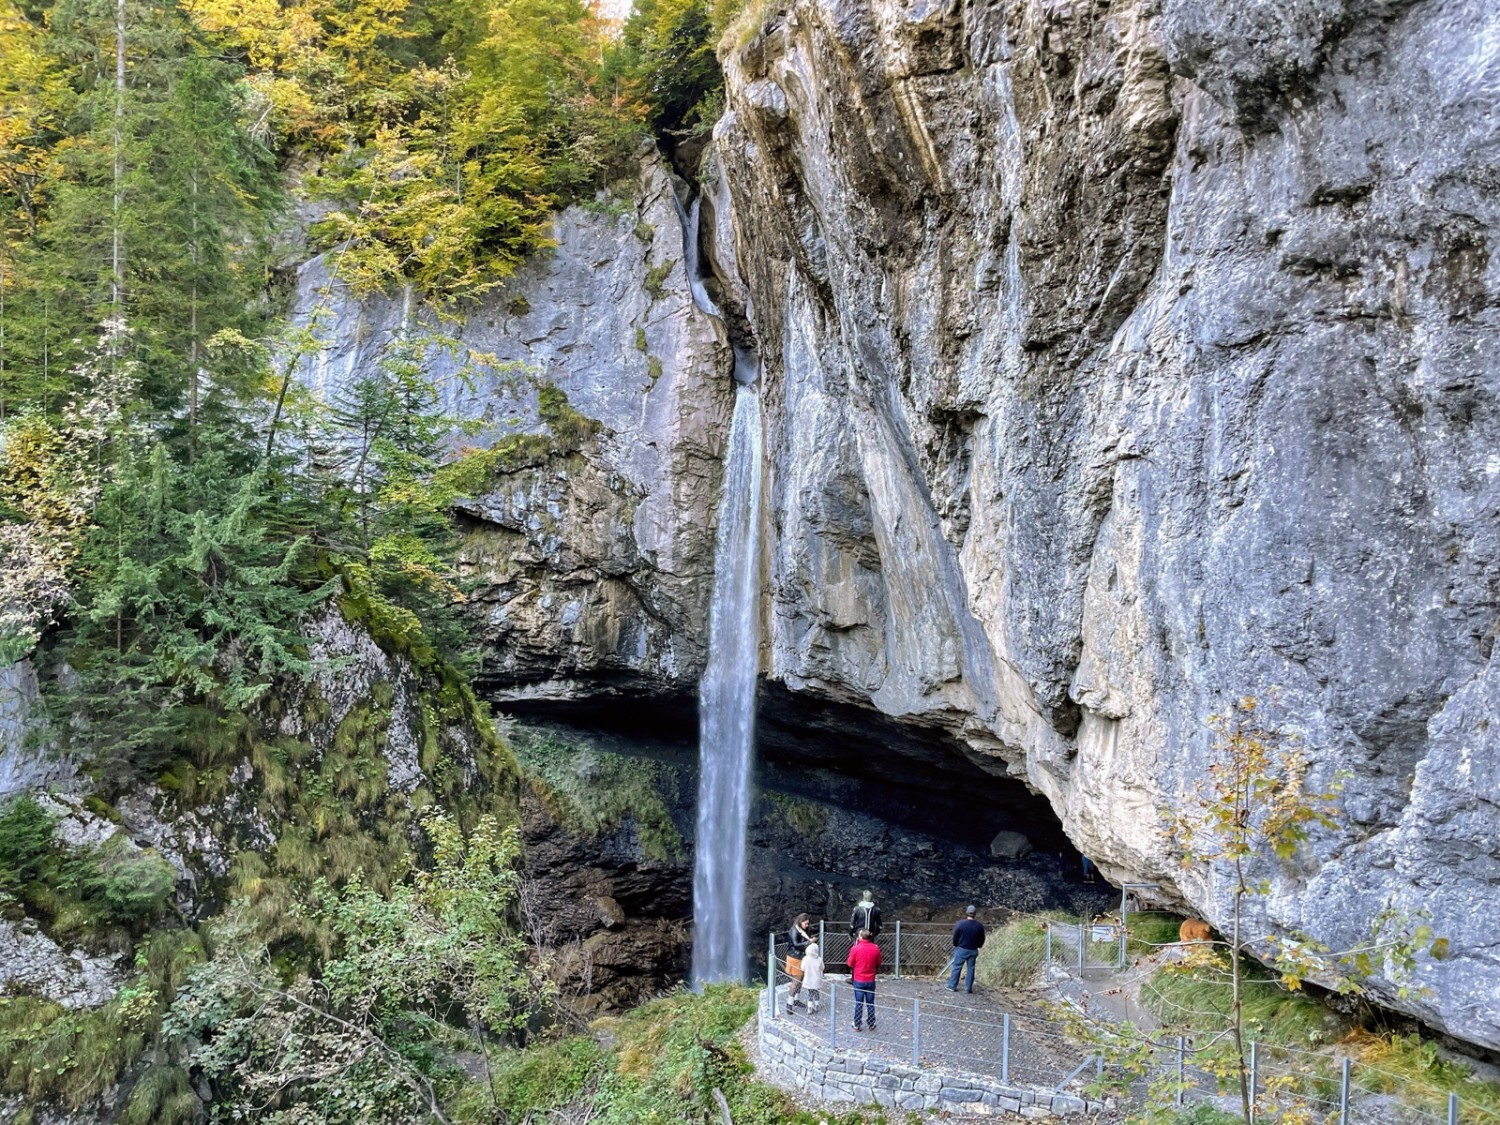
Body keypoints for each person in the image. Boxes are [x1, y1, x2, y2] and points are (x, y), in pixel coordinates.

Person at [847, 928, 881, 1032]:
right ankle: (871, 1023)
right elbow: (879, 962)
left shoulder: (855, 948)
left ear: (860, 937)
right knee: (870, 1002)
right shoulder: (875, 948)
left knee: (859, 1002)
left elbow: (850, 963)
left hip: (859, 979)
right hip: (870, 979)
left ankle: (857, 1024)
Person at [947, 904, 986, 993]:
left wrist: (956, 944)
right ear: (975, 914)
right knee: (971, 968)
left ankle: (952, 986)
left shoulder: (960, 924)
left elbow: (955, 936)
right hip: (973, 950)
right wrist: (979, 946)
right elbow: (982, 938)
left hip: (962, 949)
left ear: (966, 913)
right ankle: (968, 988)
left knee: (957, 967)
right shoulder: (979, 926)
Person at [784, 913, 813, 1014]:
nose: (807, 925)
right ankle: (789, 1004)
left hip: (801, 957)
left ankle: (796, 1000)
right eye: (806, 923)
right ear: (800, 922)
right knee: (796, 981)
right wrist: (809, 942)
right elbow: (796, 945)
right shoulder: (794, 930)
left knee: (800, 980)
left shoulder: (802, 930)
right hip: (795, 958)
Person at [801, 940, 825, 1015]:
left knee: (810, 994)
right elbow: (822, 968)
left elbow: (802, 968)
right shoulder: (819, 959)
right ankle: (816, 1006)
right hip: (817, 979)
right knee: (817, 992)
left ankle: (809, 1008)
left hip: (808, 979)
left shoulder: (805, 959)